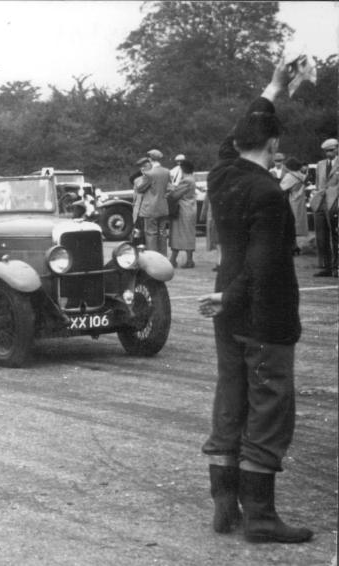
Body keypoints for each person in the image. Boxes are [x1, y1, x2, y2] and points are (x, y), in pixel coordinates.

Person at [197, 61, 313, 544]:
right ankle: (261, 517)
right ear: (273, 146)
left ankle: (225, 505)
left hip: (228, 313)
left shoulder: (221, 173)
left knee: (231, 397)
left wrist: (273, 88)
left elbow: (240, 133)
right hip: (263, 314)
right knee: (268, 407)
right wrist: (231, 295)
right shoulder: (268, 191)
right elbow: (264, 263)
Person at [310, 138, 339, 277]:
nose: (328, 153)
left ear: (337, 148)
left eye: (331, 150)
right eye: (326, 151)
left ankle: (336, 267)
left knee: (336, 235)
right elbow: (318, 184)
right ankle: (325, 266)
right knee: (321, 236)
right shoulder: (320, 164)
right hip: (320, 202)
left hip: (335, 202)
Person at [133, 150, 170, 254]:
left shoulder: (149, 174)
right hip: (163, 208)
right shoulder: (166, 171)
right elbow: (169, 188)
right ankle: (163, 256)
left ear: (150, 159)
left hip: (150, 209)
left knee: (151, 234)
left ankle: (153, 257)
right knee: (162, 233)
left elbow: (140, 189)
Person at [167, 160, 197, 268]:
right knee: (186, 234)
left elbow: (175, 195)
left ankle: (182, 260)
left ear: (183, 169)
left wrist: (169, 189)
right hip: (190, 208)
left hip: (183, 209)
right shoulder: (191, 179)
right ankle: (181, 259)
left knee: (179, 234)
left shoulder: (186, 180)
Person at [279, 158, 309, 254]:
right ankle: (295, 245)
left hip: (291, 200)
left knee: (290, 223)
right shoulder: (301, 175)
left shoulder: (290, 176)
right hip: (300, 200)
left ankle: (292, 246)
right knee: (296, 223)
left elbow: (281, 188)